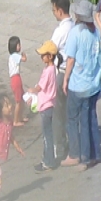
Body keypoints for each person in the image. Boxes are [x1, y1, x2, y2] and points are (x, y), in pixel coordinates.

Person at [62, 0, 101, 169]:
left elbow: (70, 59)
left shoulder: (76, 32)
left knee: (73, 119)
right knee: (90, 118)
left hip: (78, 85)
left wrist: (65, 79)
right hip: (93, 83)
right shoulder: (95, 32)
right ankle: (92, 154)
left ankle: (75, 154)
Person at [50, 0, 74, 162]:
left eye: (53, 10)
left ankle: (60, 148)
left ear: (59, 11)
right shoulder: (74, 26)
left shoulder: (60, 31)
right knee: (71, 112)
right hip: (74, 74)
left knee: (58, 113)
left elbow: (50, 50)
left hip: (62, 73)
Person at [31, 41, 59, 172]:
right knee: (49, 134)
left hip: (45, 106)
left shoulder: (48, 71)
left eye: (44, 55)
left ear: (50, 56)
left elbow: (40, 86)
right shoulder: (53, 69)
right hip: (50, 104)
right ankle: (47, 160)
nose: (42, 57)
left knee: (47, 136)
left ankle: (49, 162)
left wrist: (31, 91)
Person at [7, 36, 28, 127]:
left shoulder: (12, 57)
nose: (20, 46)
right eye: (19, 45)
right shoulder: (15, 56)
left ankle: (20, 117)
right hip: (16, 79)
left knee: (21, 98)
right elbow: (24, 59)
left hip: (15, 78)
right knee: (18, 101)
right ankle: (15, 121)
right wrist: (24, 55)